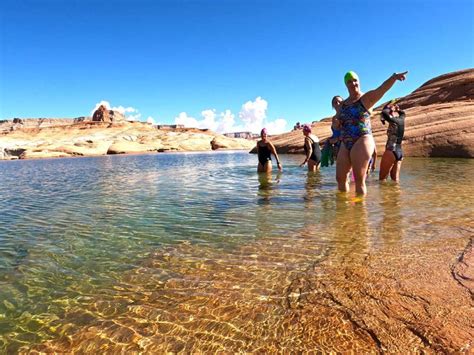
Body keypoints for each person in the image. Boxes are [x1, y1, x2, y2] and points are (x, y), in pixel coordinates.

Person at [336, 70, 408, 195]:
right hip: (345, 141)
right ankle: (344, 211)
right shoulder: (343, 104)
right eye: (349, 81)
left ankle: (360, 212)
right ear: (346, 85)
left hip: (361, 139)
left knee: (359, 179)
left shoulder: (365, 98)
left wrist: (393, 78)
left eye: (355, 80)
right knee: (340, 178)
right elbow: (339, 120)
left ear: (359, 82)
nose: (353, 83)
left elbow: (381, 89)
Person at [379, 102, 406, 181]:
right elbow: (403, 113)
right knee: (395, 179)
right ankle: (396, 193)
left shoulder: (394, 121)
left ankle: (385, 193)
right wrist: (398, 109)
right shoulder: (401, 119)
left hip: (391, 150)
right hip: (399, 152)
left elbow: (384, 113)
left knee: (382, 179)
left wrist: (389, 107)